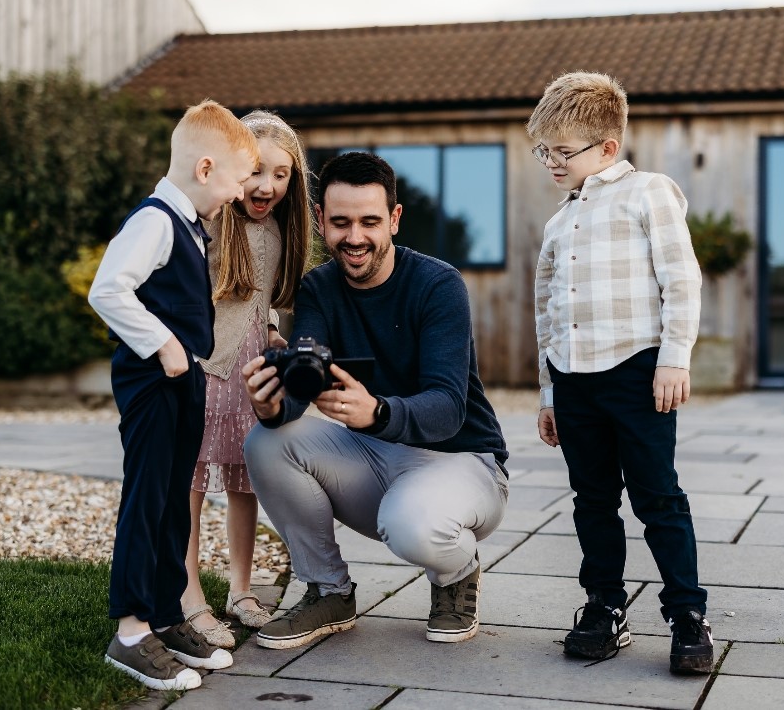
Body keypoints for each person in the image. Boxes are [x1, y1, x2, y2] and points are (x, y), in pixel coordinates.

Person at [240, 151, 509, 650]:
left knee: (411, 525)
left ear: (395, 219)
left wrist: (378, 411)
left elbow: (449, 406)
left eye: (369, 221)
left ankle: (457, 573)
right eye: (340, 223)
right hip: (376, 457)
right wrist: (271, 405)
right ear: (321, 221)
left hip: (462, 460)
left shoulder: (438, 284)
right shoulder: (318, 288)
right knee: (266, 442)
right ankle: (328, 590)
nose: (355, 238)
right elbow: (305, 382)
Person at [528, 72, 713, 674]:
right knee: (592, 499)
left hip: (636, 372)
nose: (551, 161)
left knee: (658, 496)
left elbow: (680, 278)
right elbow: (547, 310)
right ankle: (604, 605)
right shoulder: (559, 222)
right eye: (544, 151)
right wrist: (549, 391)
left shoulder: (649, 193)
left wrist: (674, 358)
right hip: (574, 379)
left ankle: (687, 614)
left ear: (608, 148)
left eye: (562, 151)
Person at [88, 99, 258, 691]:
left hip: (180, 382)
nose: (241, 195)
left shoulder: (188, 223)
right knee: (148, 498)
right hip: (153, 383)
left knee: (170, 504)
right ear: (206, 168)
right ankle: (131, 633)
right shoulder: (156, 219)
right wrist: (163, 345)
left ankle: (163, 613)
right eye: (238, 182)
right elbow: (108, 290)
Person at [179, 111, 313, 649]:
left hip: (252, 374)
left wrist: (275, 330)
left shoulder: (279, 230)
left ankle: (239, 589)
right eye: (257, 171)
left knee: (244, 479)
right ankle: (188, 593)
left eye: (281, 175)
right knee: (189, 482)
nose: (267, 186)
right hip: (205, 370)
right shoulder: (211, 221)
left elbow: (263, 300)